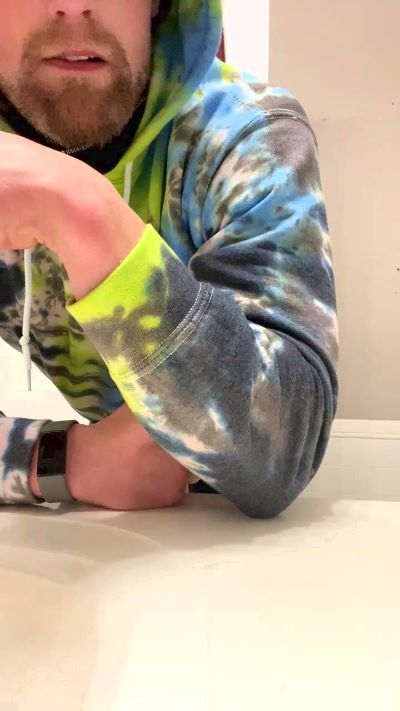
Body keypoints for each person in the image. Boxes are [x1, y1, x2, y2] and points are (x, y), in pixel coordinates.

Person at [0, 0, 339, 518]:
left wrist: (84, 214)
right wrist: (65, 461)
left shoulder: (245, 131)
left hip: (225, 537)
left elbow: (278, 454)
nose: (73, 5)